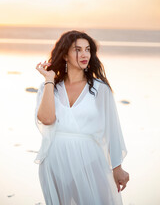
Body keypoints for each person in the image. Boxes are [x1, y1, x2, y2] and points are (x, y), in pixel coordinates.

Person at [34, 30, 129, 205]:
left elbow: (112, 130)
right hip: (55, 161)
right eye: (77, 49)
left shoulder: (100, 89)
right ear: (64, 55)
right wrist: (49, 79)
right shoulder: (49, 87)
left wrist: (117, 167)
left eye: (87, 49)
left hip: (89, 159)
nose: (84, 54)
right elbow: (46, 119)